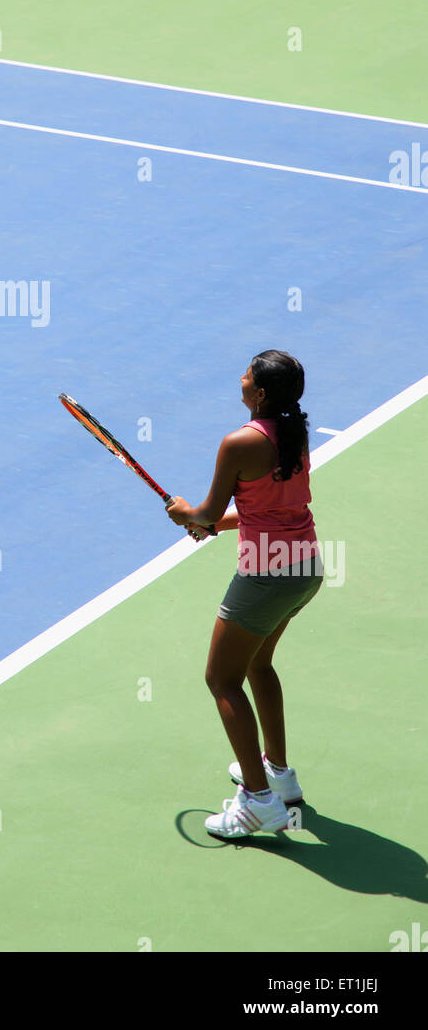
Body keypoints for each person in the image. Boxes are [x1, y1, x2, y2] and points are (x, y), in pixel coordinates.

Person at [165, 350, 323, 839]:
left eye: (247, 374)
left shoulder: (238, 443)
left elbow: (208, 510)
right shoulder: (294, 435)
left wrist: (188, 514)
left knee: (222, 679)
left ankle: (259, 802)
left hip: (266, 578)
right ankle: (278, 773)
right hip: (306, 568)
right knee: (259, 665)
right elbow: (271, 508)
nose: (241, 376)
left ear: (258, 393)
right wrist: (211, 523)